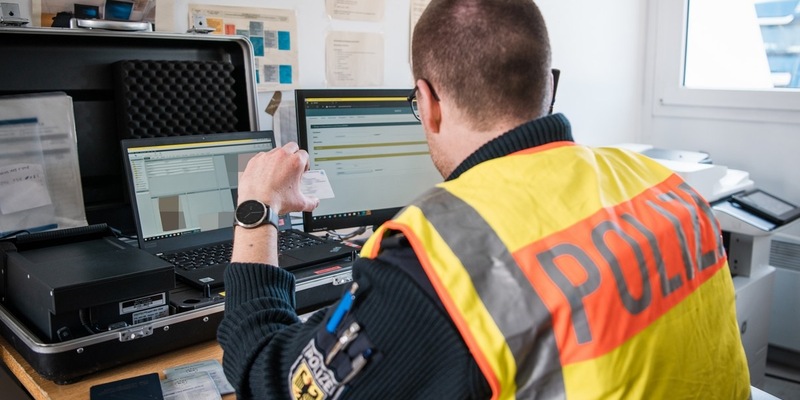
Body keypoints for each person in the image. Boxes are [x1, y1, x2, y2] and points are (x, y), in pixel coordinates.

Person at [218, 0, 751, 398]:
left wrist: (258, 210)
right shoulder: (665, 187)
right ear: (550, 87)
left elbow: (271, 379)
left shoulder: (437, 267)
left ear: (427, 103)